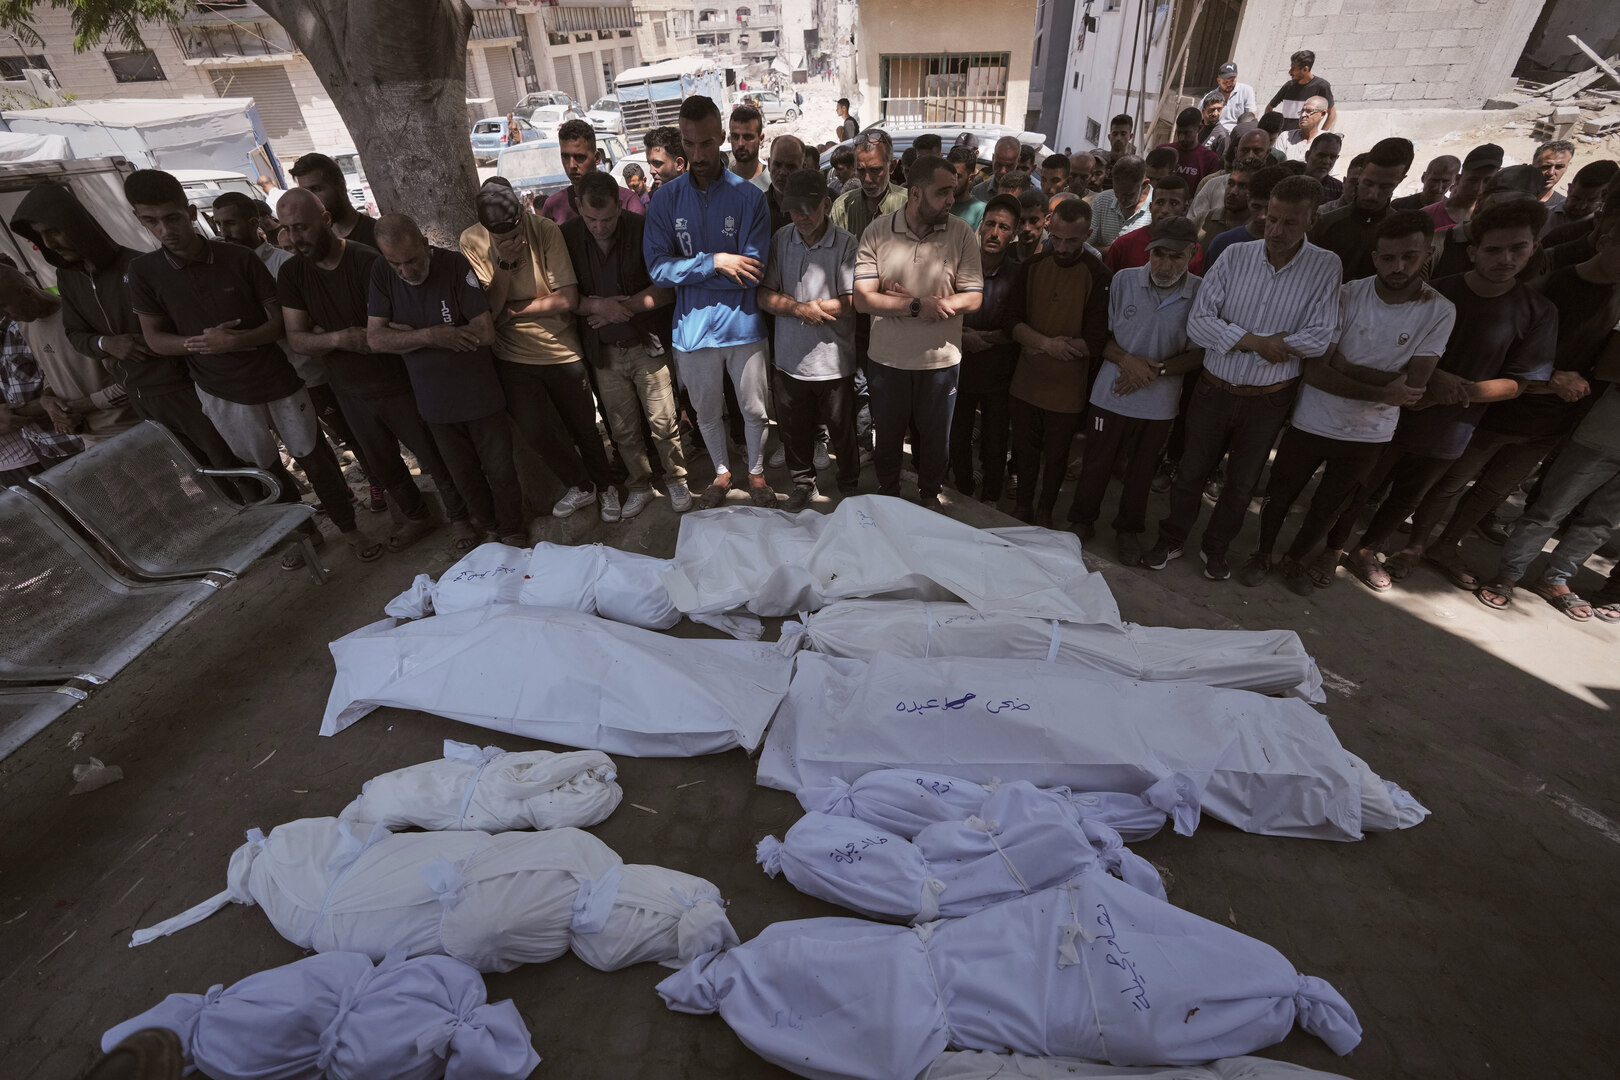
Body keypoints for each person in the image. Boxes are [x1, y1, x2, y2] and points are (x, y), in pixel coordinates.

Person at [124, 168, 380, 565]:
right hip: (220, 390)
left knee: (315, 458)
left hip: (277, 378)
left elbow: (280, 322)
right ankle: (305, 538)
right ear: (138, 219)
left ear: (190, 213)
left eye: (172, 218)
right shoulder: (144, 272)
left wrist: (236, 341)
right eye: (151, 221)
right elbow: (155, 338)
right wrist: (200, 344)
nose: (165, 230)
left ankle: (349, 529)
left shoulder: (238, 257)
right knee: (264, 471)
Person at [1324, 198, 1555, 591]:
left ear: (1534, 248)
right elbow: (1392, 349)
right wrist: (1433, 378)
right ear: (1473, 251)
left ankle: (1367, 549)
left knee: (1408, 497)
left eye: (1518, 248)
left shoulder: (1537, 311)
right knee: (1362, 485)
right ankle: (1332, 546)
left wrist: (1455, 392)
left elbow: (1518, 383)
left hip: (1454, 425)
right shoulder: (1434, 295)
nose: (1505, 259)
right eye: (1493, 249)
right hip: (1393, 412)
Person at [1403, 208, 1620, 590]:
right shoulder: (1550, 287)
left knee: (1494, 490)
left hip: (1556, 418)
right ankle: (1415, 544)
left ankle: (1446, 545)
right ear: (1605, 242)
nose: (1507, 259)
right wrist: (1550, 377)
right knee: (1450, 480)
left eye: (1518, 249)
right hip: (1500, 405)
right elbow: (1506, 353)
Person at [1241, 211, 1454, 593]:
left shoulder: (1440, 310)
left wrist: (1344, 367)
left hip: (1369, 433)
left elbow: (1415, 384)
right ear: (1375, 257)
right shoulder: (1346, 294)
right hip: (1312, 419)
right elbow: (1316, 372)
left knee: (1331, 505)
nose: (1398, 267)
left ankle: (1295, 561)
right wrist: (1385, 389)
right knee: (1280, 494)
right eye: (1388, 258)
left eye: (1409, 256)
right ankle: (1263, 553)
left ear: (1429, 254)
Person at [1144, 174, 1341, 578]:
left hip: (1269, 399)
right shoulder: (1235, 255)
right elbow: (1199, 323)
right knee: (1191, 472)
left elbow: (1320, 337)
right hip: (1214, 389)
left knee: (1241, 483)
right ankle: (1172, 537)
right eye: (1272, 218)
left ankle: (1216, 548)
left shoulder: (1325, 266)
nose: (1276, 230)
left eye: (1289, 222)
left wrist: (1234, 335)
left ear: (1311, 220)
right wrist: (1258, 342)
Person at [275, 188, 473, 552]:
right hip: (348, 389)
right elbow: (297, 339)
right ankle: (417, 516)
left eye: (301, 227)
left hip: (398, 381)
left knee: (434, 456)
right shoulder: (292, 274)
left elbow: (397, 328)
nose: (293, 238)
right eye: (286, 229)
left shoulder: (369, 262)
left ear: (326, 220)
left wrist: (331, 336)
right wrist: (341, 337)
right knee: (383, 464)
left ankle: (461, 518)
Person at [11, 181, 234, 470]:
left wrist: (149, 342)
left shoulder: (141, 266)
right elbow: (75, 334)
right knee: (198, 472)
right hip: (139, 398)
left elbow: (190, 329)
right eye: (40, 236)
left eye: (54, 231)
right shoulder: (68, 278)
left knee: (232, 464)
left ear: (75, 225)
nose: (50, 243)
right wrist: (107, 344)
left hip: (185, 389)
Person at [645, 95, 773, 509]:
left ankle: (756, 473)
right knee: (706, 413)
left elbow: (752, 272)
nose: (697, 154)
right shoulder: (665, 200)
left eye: (705, 143)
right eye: (689, 143)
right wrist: (715, 261)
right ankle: (722, 473)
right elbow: (657, 270)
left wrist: (688, 273)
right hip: (692, 330)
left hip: (743, 326)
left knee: (754, 410)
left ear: (721, 137)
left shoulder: (749, 198)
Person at [461, 179, 615, 521]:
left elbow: (567, 299)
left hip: (561, 347)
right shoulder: (471, 240)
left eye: (515, 233)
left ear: (521, 212)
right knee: (535, 431)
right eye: (500, 239)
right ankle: (582, 485)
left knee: (584, 427)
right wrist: (504, 265)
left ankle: (606, 487)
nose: (510, 242)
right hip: (512, 354)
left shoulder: (544, 229)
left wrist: (514, 310)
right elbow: (489, 311)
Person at [367, 213, 524, 544]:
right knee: (463, 474)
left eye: (412, 260)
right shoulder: (381, 271)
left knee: (500, 470)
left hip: (479, 394)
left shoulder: (453, 265)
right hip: (434, 402)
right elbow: (376, 339)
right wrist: (432, 336)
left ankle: (512, 530)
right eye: (396, 264)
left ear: (425, 245)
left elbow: (484, 332)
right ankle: (489, 528)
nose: (405, 271)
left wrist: (405, 337)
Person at [853, 155, 984, 506]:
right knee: (888, 436)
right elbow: (862, 300)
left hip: (940, 364)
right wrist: (915, 306)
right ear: (915, 194)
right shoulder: (877, 232)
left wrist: (932, 304)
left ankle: (930, 495)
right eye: (942, 192)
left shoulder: (961, 233)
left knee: (936, 439)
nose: (951, 199)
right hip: (887, 362)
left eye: (952, 191)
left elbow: (974, 297)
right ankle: (888, 494)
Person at [1071, 216, 1202, 563]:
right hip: (1111, 393)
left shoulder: (1200, 292)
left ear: (1192, 254)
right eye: (1158, 254)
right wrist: (1127, 361)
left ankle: (1128, 530)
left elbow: (1198, 353)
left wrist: (1155, 371)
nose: (1165, 265)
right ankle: (1082, 521)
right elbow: (1100, 337)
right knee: (1096, 463)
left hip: (1159, 405)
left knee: (1141, 472)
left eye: (1176, 256)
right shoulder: (1123, 280)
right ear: (1148, 251)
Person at [562, 170, 690, 517]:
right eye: (591, 219)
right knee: (622, 429)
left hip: (646, 345)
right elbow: (564, 297)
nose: (599, 227)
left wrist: (621, 308)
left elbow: (667, 288)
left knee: (663, 423)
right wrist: (597, 307)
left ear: (619, 206)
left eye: (606, 219)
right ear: (579, 207)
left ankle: (676, 478)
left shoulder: (643, 228)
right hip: (604, 353)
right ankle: (639, 485)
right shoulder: (568, 236)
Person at [1475, 367, 1620, 621]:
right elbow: (1607, 364)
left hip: (1604, 432)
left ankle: (1555, 580)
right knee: (1551, 509)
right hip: (1605, 432)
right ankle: (1508, 575)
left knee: (1603, 522)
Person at [757, 169, 860, 509]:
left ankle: (849, 485)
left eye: (808, 209)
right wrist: (799, 309)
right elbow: (764, 295)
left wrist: (810, 307)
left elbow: (853, 302)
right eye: (793, 209)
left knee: (842, 431)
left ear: (826, 205)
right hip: (790, 359)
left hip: (834, 360)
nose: (800, 217)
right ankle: (802, 483)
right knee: (793, 431)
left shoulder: (845, 243)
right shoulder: (781, 239)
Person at [1006, 198, 1109, 525]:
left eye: (1072, 241)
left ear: (1088, 235)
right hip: (1026, 382)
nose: (1062, 248)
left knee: (1057, 455)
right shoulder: (1032, 267)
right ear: (1050, 227)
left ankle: (1045, 510)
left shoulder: (1098, 275)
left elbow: (1096, 340)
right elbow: (1011, 321)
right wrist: (1047, 344)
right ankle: (1023, 505)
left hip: (1067, 389)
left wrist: (1042, 345)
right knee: (1024, 450)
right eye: (1057, 238)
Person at [950, 194, 1025, 503]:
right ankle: (964, 489)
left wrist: (985, 339)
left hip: (999, 373)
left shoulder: (1019, 274)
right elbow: (941, 311)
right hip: (959, 365)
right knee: (958, 433)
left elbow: (1020, 324)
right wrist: (962, 336)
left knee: (995, 438)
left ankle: (991, 496)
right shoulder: (957, 265)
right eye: (990, 224)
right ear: (980, 227)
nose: (995, 233)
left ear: (1014, 233)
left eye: (1004, 227)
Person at [0, 266, 85, 481]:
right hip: (43, 446)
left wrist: (19, 413)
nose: (3, 313)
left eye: (2, 307)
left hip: (74, 438)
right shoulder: (13, 328)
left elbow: (69, 384)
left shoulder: (25, 323)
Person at [1309, 136, 1415, 281]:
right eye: (1368, 183)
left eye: (1385, 187)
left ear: (1401, 179)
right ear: (1361, 174)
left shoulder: (1403, 233)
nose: (1372, 195)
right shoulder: (1324, 224)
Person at [541, 120, 643, 226]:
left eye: (579, 157)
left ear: (597, 158)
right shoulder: (553, 206)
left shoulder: (628, 202)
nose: (572, 165)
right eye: (565, 157)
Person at [1105, 173, 1203, 274]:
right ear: (1151, 206)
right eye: (1160, 203)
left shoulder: (1191, 250)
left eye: (1173, 203)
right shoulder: (1123, 245)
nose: (1165, 210)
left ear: (1185, 208)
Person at [1205, 163, 1289, 266]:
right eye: (1256, 207)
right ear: (1248, 200)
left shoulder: (1298, 248)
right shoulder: (1223, 243)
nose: (1262, 216)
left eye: (1269, 209)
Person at [291, 152, 376, 247]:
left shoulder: (376, 235)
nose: (311, 199)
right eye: (305, 192)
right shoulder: (314, 242)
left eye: (316, 189)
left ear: (341, 186)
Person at [1188, 126, 1272, 219]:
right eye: (1244, 150)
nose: (1250, 155)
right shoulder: (1213, 185)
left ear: (1267, 153)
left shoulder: (1273, 191)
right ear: (1236, 152)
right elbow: (1193, 221)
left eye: (1257, 151)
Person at [1425, 143, 1501, 229]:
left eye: (1487, 181)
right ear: (1458, 179)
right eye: (1472, 180)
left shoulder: (1493, 219)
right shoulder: (1428, 216)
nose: (1478, 189)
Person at [1193, 154, 1263, 247]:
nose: (1233, 192)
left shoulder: (1259, 228)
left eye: (1243, 186)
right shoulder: (1203, 220)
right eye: (1231, 183)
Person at [1089, 155, 1153, 251]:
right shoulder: (1102, 200)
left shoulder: (1157, 206)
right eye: (1117, 193)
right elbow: (1087, 245)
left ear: (1144, 184)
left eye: (1128, 195)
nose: (1121, 200)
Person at [1541, 159, 1615, 238]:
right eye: (1576, 198)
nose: (1580, 206)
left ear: (1605, 197)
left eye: (1591, 201)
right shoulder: (1543, 217)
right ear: (1569, 189)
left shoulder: (1606, 229)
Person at [1266, 49, 1335, 132]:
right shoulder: (1288, 86)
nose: (1290, 72)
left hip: (1306, 138)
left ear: (1305, 69)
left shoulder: (1322, 86)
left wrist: (1322, 134)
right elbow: (1269, 108)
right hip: (1284, 137)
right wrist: (1269, 131)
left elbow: (1332, 112)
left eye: (1293, 68)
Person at [1159, 107, 1221, 190]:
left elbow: (1209, 190)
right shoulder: (1163, 151)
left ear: (1199, 128)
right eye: (1179, 132)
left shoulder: (1210, 159)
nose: (1181, 138)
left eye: (1186, 133)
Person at [765, 134, 807, 233]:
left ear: (803, 168)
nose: (783, 172)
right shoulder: (756, 206)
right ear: (769, 164)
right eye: (777, 164)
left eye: (791, 167)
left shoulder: (820, 205)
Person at [1391, 155, 1460, 211]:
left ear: (1455, 181)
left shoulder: (1454, 212)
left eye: (1445, 181)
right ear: (1423, 177)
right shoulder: (1399, 206)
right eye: (1434, 180)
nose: (1438, 188)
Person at [728, 103, 770, 192]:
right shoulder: (721, 182)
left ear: (761, 139)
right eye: (735, 137)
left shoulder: (773, 183)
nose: (740, 143)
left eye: (747, 137)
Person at [1277, 97, 1330, 161]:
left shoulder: (1328, 141)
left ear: (1322, 114)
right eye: (1302, 111)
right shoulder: (1285, 137)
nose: (1303, 115)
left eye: (1309, 111)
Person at [946, 145, 987, 230]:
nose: (951, 181)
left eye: (958, 176)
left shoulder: (981, 211)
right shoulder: (937, 204)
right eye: (948, 175)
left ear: (971, 178)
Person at [971, 137, 1023, 202]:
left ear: (1018, 161)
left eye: (1009, 166)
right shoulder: (978, 192)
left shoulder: (1028, 195)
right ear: (993, 158)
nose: (1003, 171)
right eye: (999, 164)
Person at [1214, 61, 1256, 135]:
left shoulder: (1246, 90)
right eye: (1225, 82)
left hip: (1239, 134)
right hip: (1218, 134)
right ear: (1219, 80)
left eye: (1232, 81)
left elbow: (1252, 117)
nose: (1229, 84)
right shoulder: (1211, 96)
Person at [1533, 139, 1576, 208]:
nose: (1551, 172)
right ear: (1533, 165)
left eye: (1559, 167)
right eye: (1546, 166)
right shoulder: (1514, 196)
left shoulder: (1562, 207)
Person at [643, 125, 687, 191]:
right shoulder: (651, 197)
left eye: (657, 163)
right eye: (649, 164)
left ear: (679, 164)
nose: (651, 171)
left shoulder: (699, 193)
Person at [1012, 188, 1050, 262]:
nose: (1026, 228)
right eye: (1021, 221)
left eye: (1033, 221)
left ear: (1047, 219)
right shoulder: (1003, 256)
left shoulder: (1050, 260)